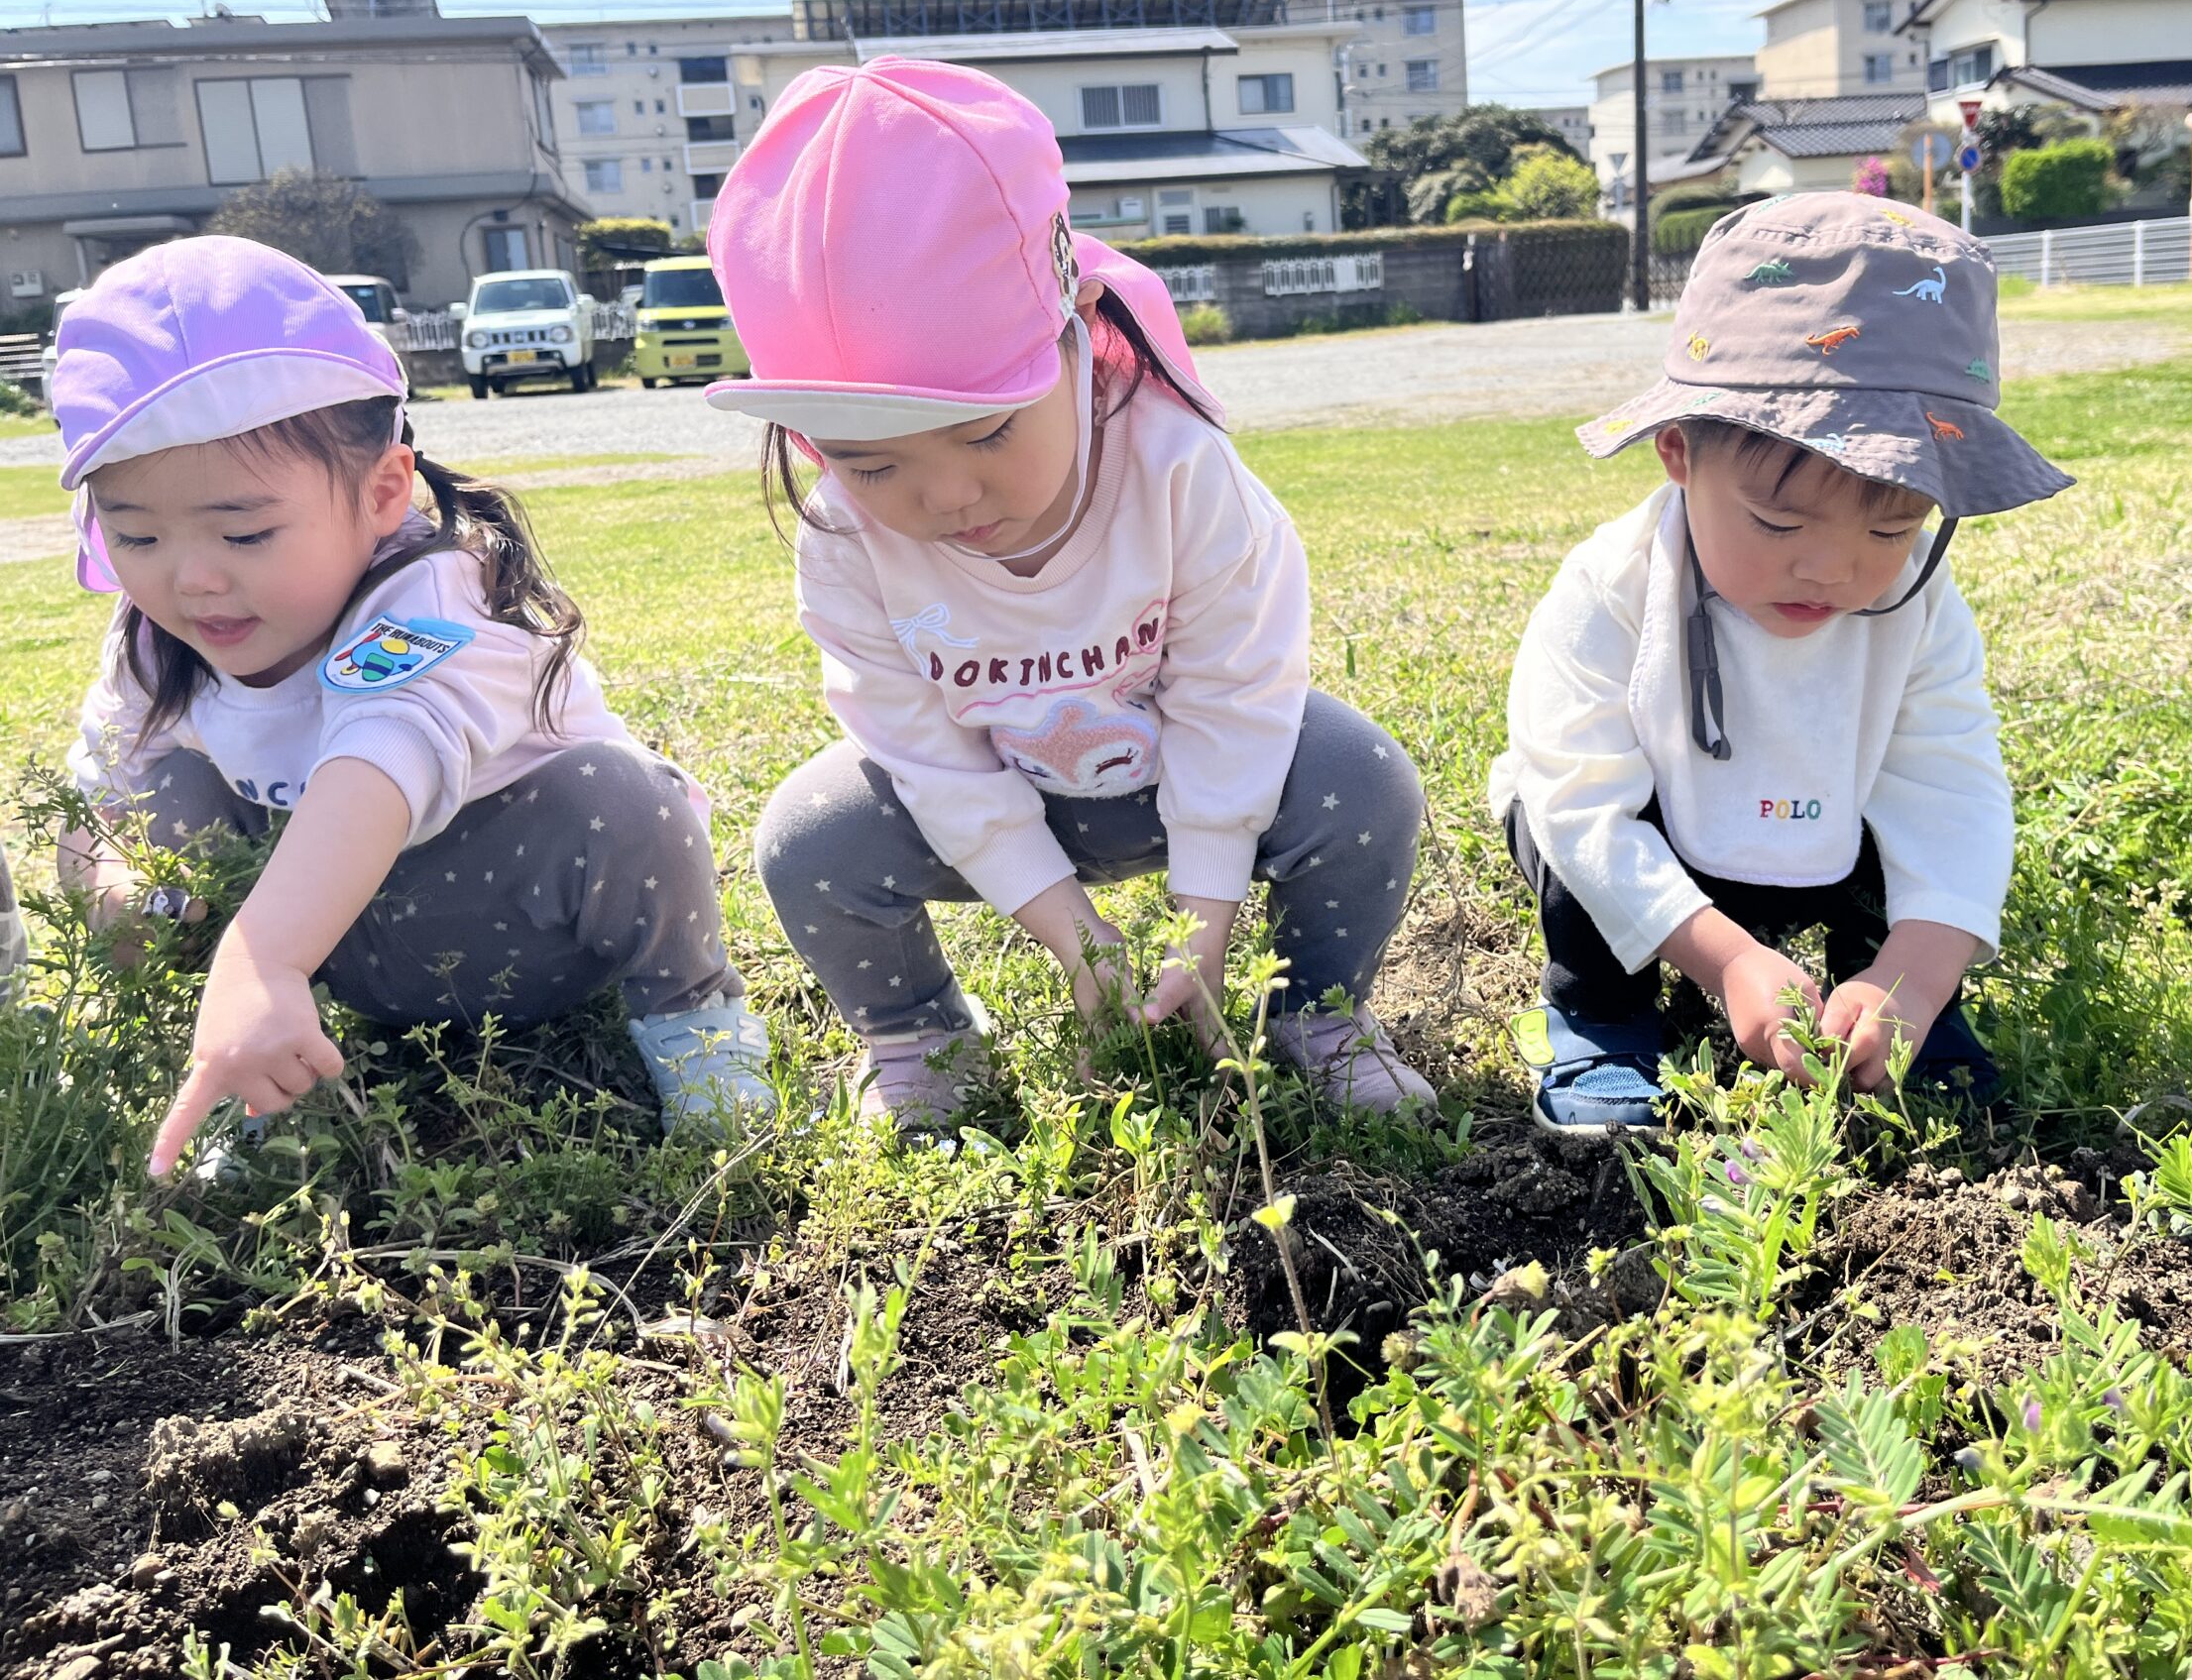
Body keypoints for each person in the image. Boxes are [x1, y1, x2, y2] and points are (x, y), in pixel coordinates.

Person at [715, 58, 1431, 1127]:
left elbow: (1233, 695)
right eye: (872, 463)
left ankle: (1318, 1015)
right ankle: (916, 1035)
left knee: (1358, 779)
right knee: (810, 839)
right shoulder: (843, 540)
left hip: (1180, 772)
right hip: (999, 792)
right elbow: (923, 753)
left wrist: (1201, 924)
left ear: (1079, 326)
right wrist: (1074, 934)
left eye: (988, 432)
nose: (948, 496)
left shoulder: (1177, 467)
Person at [51, 237, 770, 1177]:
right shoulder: (155, 643)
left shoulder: (433, 595)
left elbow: (381, 757)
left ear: (384, 491)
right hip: (349, 959)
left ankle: (693, 1021)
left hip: (531, 937)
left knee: (624, 796)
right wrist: (128, 900)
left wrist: (263, 959)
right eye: (137, 537)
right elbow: (99, 802)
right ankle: (263, 1071)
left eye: (246, 532)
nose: (192, 579)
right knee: (167, 796)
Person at [1490, 192, 2074, 1132]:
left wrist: (1913, 979)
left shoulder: (1919, 606)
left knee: (1902, 848)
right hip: (1659, 839)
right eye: (1777, 522)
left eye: (1891, 527)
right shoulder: (1612, 586)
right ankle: (1601, 1019)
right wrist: (1726, 961)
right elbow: (1579, 799)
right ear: (1678, 454)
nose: (1832, 569)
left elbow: (1951, 792)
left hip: (1823, 837)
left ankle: (1904, 1022)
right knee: (1559, 821)